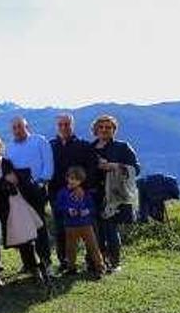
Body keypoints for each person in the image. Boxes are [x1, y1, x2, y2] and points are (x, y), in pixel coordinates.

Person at [0, 135, 48, 287]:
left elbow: (15, 181)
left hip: (10, 207)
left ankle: (33, 268)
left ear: (0, 148)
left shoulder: (7, 163)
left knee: (23, 237)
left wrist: (11, 181)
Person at [91, 115, 140, 272]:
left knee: (111, 229)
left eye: (108, 127)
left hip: (114, 195)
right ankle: (98, 261)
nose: (104, 130)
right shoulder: (90, 148)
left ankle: (114, 261)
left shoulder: (123, 147)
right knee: (96, 230)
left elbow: (136, 168)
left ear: (114, 130)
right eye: (101, 127)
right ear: (96, 129)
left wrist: (115, 166)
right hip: (93, 194)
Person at [49, 114, 98, 270]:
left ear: (73, 125)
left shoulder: (84, 145)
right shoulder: (50, 146)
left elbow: (92, 168)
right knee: (60, 228)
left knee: (87, 228)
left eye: (67, 124)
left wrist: (82, 187)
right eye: (61, 125)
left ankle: (92, 261)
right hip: (57, 194)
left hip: (80, 194)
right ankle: (65, 261)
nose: (64, 127)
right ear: (57, 127)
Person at [6, 116, 54, 271]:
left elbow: (48, 164)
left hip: (36, 188)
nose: (17, 130)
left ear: (27, 127)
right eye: (14, 128)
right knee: (22, 227)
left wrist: (42, 183)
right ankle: (28, 263)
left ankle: (46, 262)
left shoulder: (40, 141)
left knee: (40, 226)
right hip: (18, 191)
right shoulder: (9, 146)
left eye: (20, 126)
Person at [53, 166, 105, 277]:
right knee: (70, 248)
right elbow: (58, 206)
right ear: (67, 178)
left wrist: (87, 211)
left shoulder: (85, 193)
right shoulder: (62, 193)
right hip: (70, 225)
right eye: (71, 178)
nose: (73, 181)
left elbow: (92, 207)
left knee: (93, 246)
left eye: (76, 179)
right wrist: (68, 210)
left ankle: (99, 267)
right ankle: (71, 268)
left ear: (81, 181)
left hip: (86, 224)